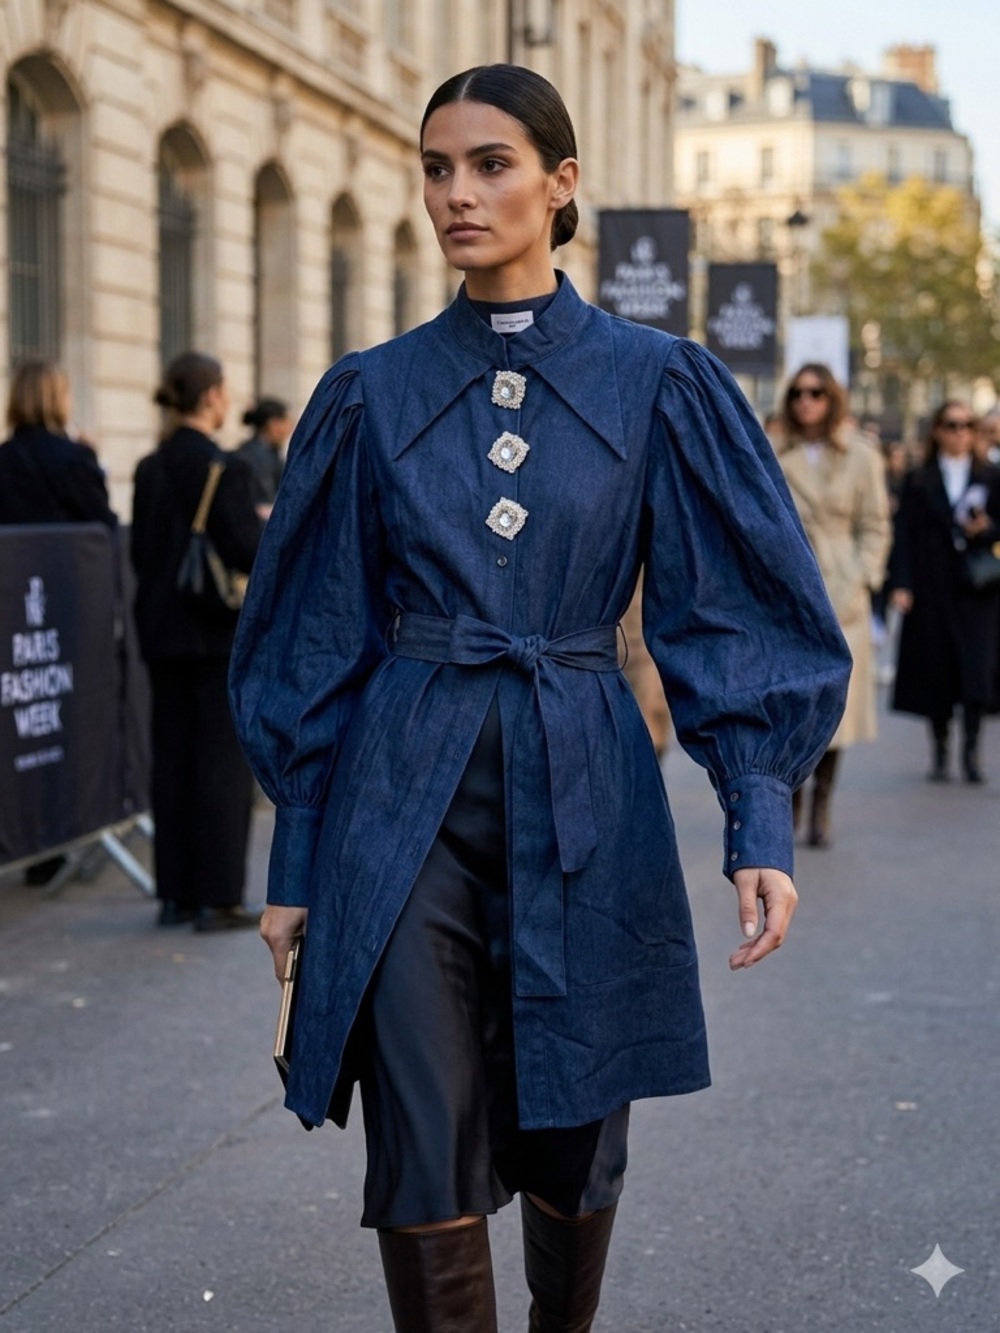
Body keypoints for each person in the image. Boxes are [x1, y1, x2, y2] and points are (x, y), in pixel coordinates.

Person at [230, 66, 851, 1332]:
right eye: (438, 167)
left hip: (586, 791)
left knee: (576, 1141)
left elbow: (729, 607)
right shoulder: (371, 392)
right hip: (401, 811)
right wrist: (297, 852)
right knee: (419, 1141)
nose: (457, 193)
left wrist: (758, 818)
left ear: (562, 184)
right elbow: (315, 631)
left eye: (491, 164)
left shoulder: (659, 383)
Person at [131, 353, 263, 930]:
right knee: (218, 763)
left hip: (160, 629)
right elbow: (247, 551)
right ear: (211, 397)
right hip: (213, 632)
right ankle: (217, 897)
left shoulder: (149, 467)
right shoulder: (223, 468)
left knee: (172, 759)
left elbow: (139, 553)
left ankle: (175, 893)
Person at [775, 364, 891, 848]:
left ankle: (823, 802)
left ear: (833, 398)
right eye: (798, 393)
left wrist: (862, 577)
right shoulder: (775, 454)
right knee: (793, 708)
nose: (807, 401)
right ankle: (793, 801)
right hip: (791, 593)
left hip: (844, 596)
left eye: (817, 392)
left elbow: (876, 526)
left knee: (837, 713)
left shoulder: (862, 456)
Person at [889, 402, 1000, 782]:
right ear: (937, 430)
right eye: (951, 425)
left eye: (967, 425)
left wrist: (985, 529)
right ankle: (939, 749)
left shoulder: (992, 476)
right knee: (936, 669)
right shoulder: (919, 478)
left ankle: (971, 752)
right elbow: (902, 534)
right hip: (931, 585)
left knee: (976, 670)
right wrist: (901, 582)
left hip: (978, 586)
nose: (959, 432)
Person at [0, 359, 116, 528]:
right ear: (59, 400)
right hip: (65, 555)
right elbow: (105, 526)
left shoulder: (4, 458)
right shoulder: (77, 458)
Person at [235, 396, 292, 517]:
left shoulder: (269, 453)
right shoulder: (254, 456)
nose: (289, 429)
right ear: (273, 424)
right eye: (286, 422)